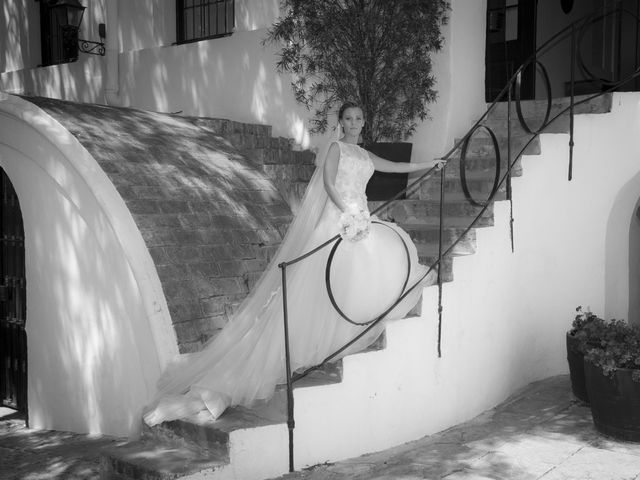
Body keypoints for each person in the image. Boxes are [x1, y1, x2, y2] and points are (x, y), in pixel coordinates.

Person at [142, 101, 444, 427]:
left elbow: (396, 167)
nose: (354, 122)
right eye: (349, 118)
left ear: (363, 121)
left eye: (358, 118)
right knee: (320, 284)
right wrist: (349, 211)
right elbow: (329, 183)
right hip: (341, 219)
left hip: (360, 220)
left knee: (363, 274)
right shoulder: (336, 149)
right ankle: (226, 382)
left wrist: (432, 162)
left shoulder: (366, 155)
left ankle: (342, 332)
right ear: (341, 122)